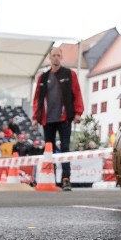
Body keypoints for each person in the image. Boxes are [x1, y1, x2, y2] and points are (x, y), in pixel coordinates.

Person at [31, 47, 84, 191]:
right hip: (47, 120)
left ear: (61, 57)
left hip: (64, 119)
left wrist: (78, 112)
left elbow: (77, 93)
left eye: (58, 55)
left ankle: (66, 179)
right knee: (49, 150)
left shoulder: (69, 74)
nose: (56, 58)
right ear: (49, 58)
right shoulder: (42, 77)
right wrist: (35, 118)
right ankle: (50, 178)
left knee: (65, 148)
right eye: (53, 55)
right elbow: (37, 99)